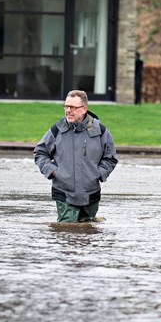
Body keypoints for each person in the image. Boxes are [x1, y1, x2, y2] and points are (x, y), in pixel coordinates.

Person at [34, 90, 118, 223]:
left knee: (88, 231)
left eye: (72, 107)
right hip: (64, 193)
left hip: (91, 194)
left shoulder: (100, 131)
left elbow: (110, 158)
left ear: (84, 109)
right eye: (66, 106)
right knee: (66, 232)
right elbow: (40, 152)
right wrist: (53, 171)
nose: (68, 110)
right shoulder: (56, 130)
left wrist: (98, 174)